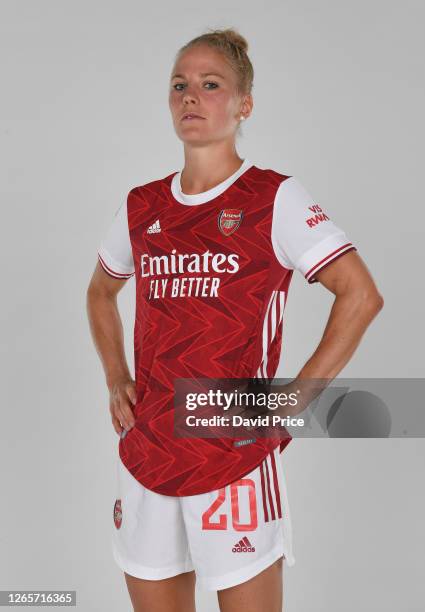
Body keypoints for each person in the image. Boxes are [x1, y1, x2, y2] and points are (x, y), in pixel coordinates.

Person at [86, 28, 384, 612]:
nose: (190, 97)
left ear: (244, 104)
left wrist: (294, 400)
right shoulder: (142, 205)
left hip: (234, 449)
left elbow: (360, 295)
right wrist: (115, 373)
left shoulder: (274, 198)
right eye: (180, 86)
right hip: (148, 447)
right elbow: (101, 292)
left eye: (210, 84)